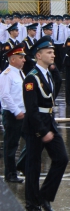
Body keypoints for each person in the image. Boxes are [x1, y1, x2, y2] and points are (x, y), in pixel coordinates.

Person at [22, 36, 69, 211]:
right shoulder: (31, 78)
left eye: (53, 52)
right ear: (38, 56)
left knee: (61, 158)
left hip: (49, 121)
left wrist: (48, 127)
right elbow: (32, 109)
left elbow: (53, 93)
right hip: (36, 125)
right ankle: (32, 203)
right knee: (33, 165)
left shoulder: (47, 74)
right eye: (49, 52)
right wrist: (43, 131)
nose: (53, 55)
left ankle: (44, 196)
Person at [0, 43, 27, 183]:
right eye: (21, 57)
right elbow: (5, 96)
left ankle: (21, 165)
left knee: (33, 141)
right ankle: (10, 174)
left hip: (23, 113)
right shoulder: (7, 75)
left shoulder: (20, 73)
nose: (24, 60)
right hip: (12, 114)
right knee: (11, 146)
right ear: (12, 59)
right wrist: (16, 111)